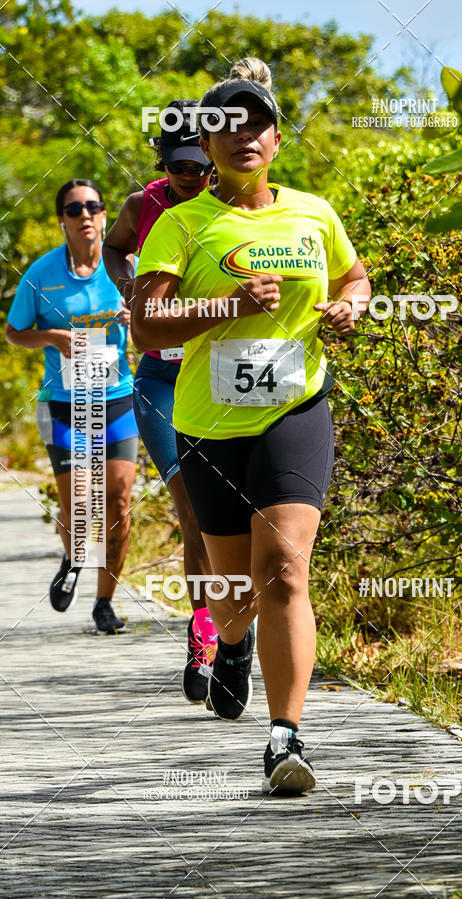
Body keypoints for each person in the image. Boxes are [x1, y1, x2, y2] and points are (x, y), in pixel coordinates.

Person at [131, 58, 370, 795]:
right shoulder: (180, 223)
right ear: (205, 140)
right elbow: (145, 326)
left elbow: (353, 276)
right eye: (225, 124)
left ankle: (285, 737)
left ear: (276, 138)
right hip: (208, 424)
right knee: (235, 590)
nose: (243, 135)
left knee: (287, 573)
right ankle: (229, 644)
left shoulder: (313, 213)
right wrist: (227, 307)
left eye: (257, 122)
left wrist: (352, 304)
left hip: (296, 410)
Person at [103, 101, 218, 704]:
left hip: (221, 379)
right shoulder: (143, 205)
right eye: (178, 168)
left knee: (235, 519)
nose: (189, 178)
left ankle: (238, 635)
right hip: (159, 379)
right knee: (192, 511)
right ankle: (204, 642)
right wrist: (131, 282)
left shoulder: (234, 205)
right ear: (161, 161)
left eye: (199, 167)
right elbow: (117, 248)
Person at [6, 179, 138, 635]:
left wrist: (136, 315)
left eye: (94, 206)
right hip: (63, 403)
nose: (85, 215)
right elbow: (14, 332)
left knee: (118, 501)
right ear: (61, 219)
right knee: (79, 501)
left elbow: (161, 319)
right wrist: (52, 337)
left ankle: (105, 602)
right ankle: (74, 554)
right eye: (74, 208)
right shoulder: (41, 275)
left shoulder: (127, 266)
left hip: (118, 399)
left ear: (105, 216)